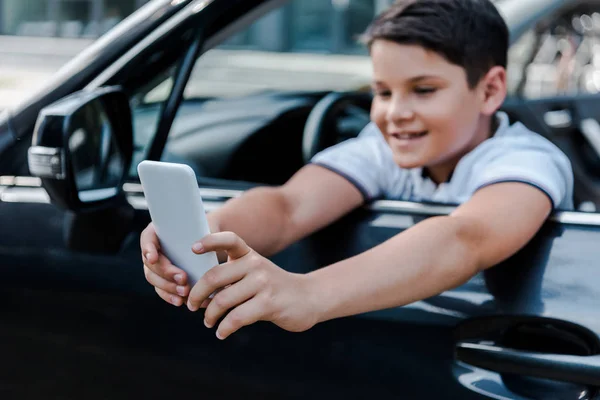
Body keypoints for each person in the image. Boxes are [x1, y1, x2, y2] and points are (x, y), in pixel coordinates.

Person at [141, 0, 573, 340]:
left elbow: (463, 238)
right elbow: (288, 206)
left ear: (491, 89)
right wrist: (206, 233)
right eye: (382, 91)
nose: (395, 113)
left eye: (423, 90)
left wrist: (307, 293)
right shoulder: (383, 148)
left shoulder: (527, 162)